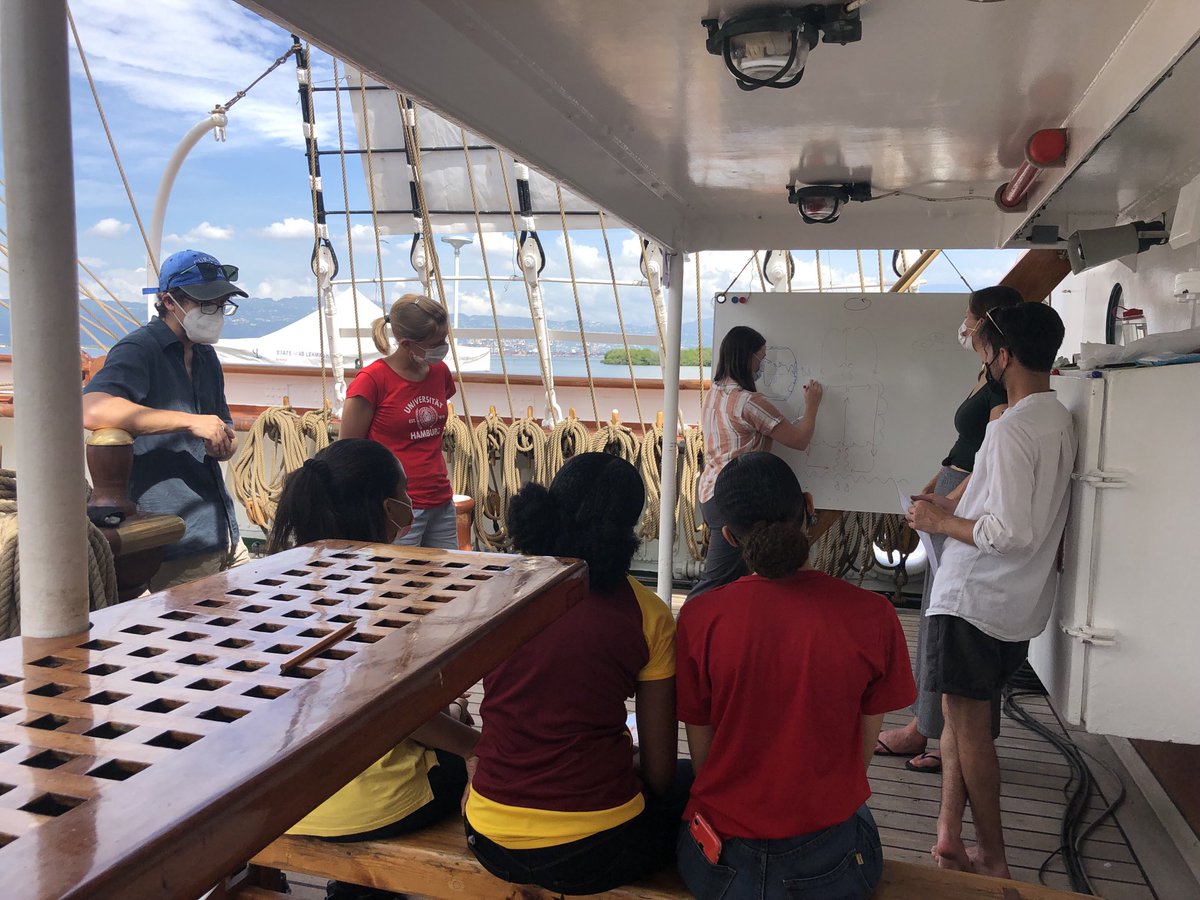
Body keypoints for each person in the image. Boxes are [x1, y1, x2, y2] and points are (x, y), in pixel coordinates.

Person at [675, 452, 916, 900]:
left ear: (728, 536)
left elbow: (703, 758)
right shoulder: (873, 615)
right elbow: (860, 759)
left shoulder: (700, 617)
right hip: (832, 865)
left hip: (721, 865)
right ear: (808, 506)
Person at [907, 302, 1075, 878]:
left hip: (973, 600)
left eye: (986, 349)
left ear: (1004, 356)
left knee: (971, 734)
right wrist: (955, 501)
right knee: (958, 722)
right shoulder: (1054, 419)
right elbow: (1015, 504)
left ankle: (995, 855)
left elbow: (1006, 533)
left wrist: (938, 523)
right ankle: (949, 837)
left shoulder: (1011, 431)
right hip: (1014, 605)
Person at [464, 453, 683, 895]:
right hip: (598, 850)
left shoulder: (491, 592)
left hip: (488, 836)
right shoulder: (649, 615)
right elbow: (659, 775)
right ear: (628, 530)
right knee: (687, 785)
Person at [269, 439, 479, 900]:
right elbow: (404, 713)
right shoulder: (388, 589)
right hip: (366, 806)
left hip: (278, 800)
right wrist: (477, 745)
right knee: (451, 755)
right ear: (390, 508)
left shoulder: (270, 580)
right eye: (407, 498)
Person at [875, 285, 1021, 774]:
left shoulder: (1005, 387)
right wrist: (933, 486)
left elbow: (988, 460)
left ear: (986, 323)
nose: (963, 325)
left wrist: (950, 504)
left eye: (968, 317)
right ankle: (927, 724)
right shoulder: (985, 375)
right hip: (952, 487)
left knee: (951, 619)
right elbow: (963, 446)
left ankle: (945, 735)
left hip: (967, 498)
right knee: (935, 614)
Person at [82, 249, 248, 591]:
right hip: (175, 536)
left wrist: (223, 444)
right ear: (169, 301)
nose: (215, 311)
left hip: (221, 526)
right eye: (206, 303)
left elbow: (221, 424)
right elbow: (92, 409)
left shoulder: (205, 355)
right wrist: (189, 421)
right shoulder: (139, 350)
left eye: (221, 302)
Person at [687, 325, 822, 601]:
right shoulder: (749, 403)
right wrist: (812, 405)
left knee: (735, 579)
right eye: (762, 357)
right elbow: (799, 440)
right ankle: (688, 625)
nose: (764, 364)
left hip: (711, 491)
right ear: (748, 357)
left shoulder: (714, 393)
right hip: (736, 498)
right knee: (716, 581)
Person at [340, 294, 459, 549]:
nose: (443, 347)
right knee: (397, 584)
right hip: (396, 505)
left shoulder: (440, 373)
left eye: (445, 339)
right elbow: (347, 451)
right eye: (437, 342)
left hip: (440, 498)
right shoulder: (371, 381)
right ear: (406, 344)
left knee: (446, 578)